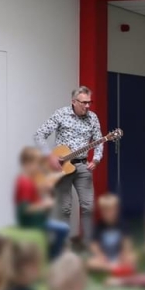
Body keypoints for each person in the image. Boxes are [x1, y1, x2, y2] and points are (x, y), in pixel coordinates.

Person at [34, 86, 104, 247]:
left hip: (83, 166)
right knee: (65, 208)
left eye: (89, 102)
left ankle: (87, 243)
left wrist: (97, 158)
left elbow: (99, 140)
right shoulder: (61, 114)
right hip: (62, 167)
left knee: (88, 206)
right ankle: (63, 244)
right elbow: (39, 135)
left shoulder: (93, 118)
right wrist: (49, 155)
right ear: (73, 101)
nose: (87, 106)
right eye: (84, 102)